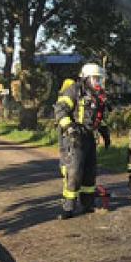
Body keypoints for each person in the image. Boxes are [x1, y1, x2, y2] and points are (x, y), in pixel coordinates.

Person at [54, 63, 112, 220]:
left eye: (99, 79)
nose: (97, 82)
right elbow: (60, 110)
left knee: (89, 172)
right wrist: (70, 128)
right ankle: (68, 207)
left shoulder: (98, 96)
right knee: (74, 172)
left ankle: (87, 204)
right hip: (74, 137)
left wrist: (105, 133)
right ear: (85, 78)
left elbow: (98, 118)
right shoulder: (74, 90)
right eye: (95, 79)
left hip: (89, 137)